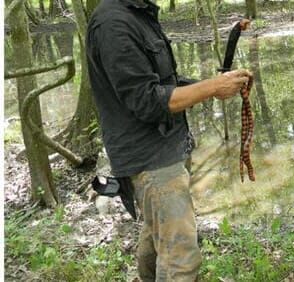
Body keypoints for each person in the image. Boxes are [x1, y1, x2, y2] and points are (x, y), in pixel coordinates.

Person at [85, 0, 252, 280]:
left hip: (167, 148)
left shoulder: (138, 14)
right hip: (150, 159)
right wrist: (211, 87)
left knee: (157, 232)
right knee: (181, 259)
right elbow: (147, 101)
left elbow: (163, 83)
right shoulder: (114, 24)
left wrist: (211, 85)